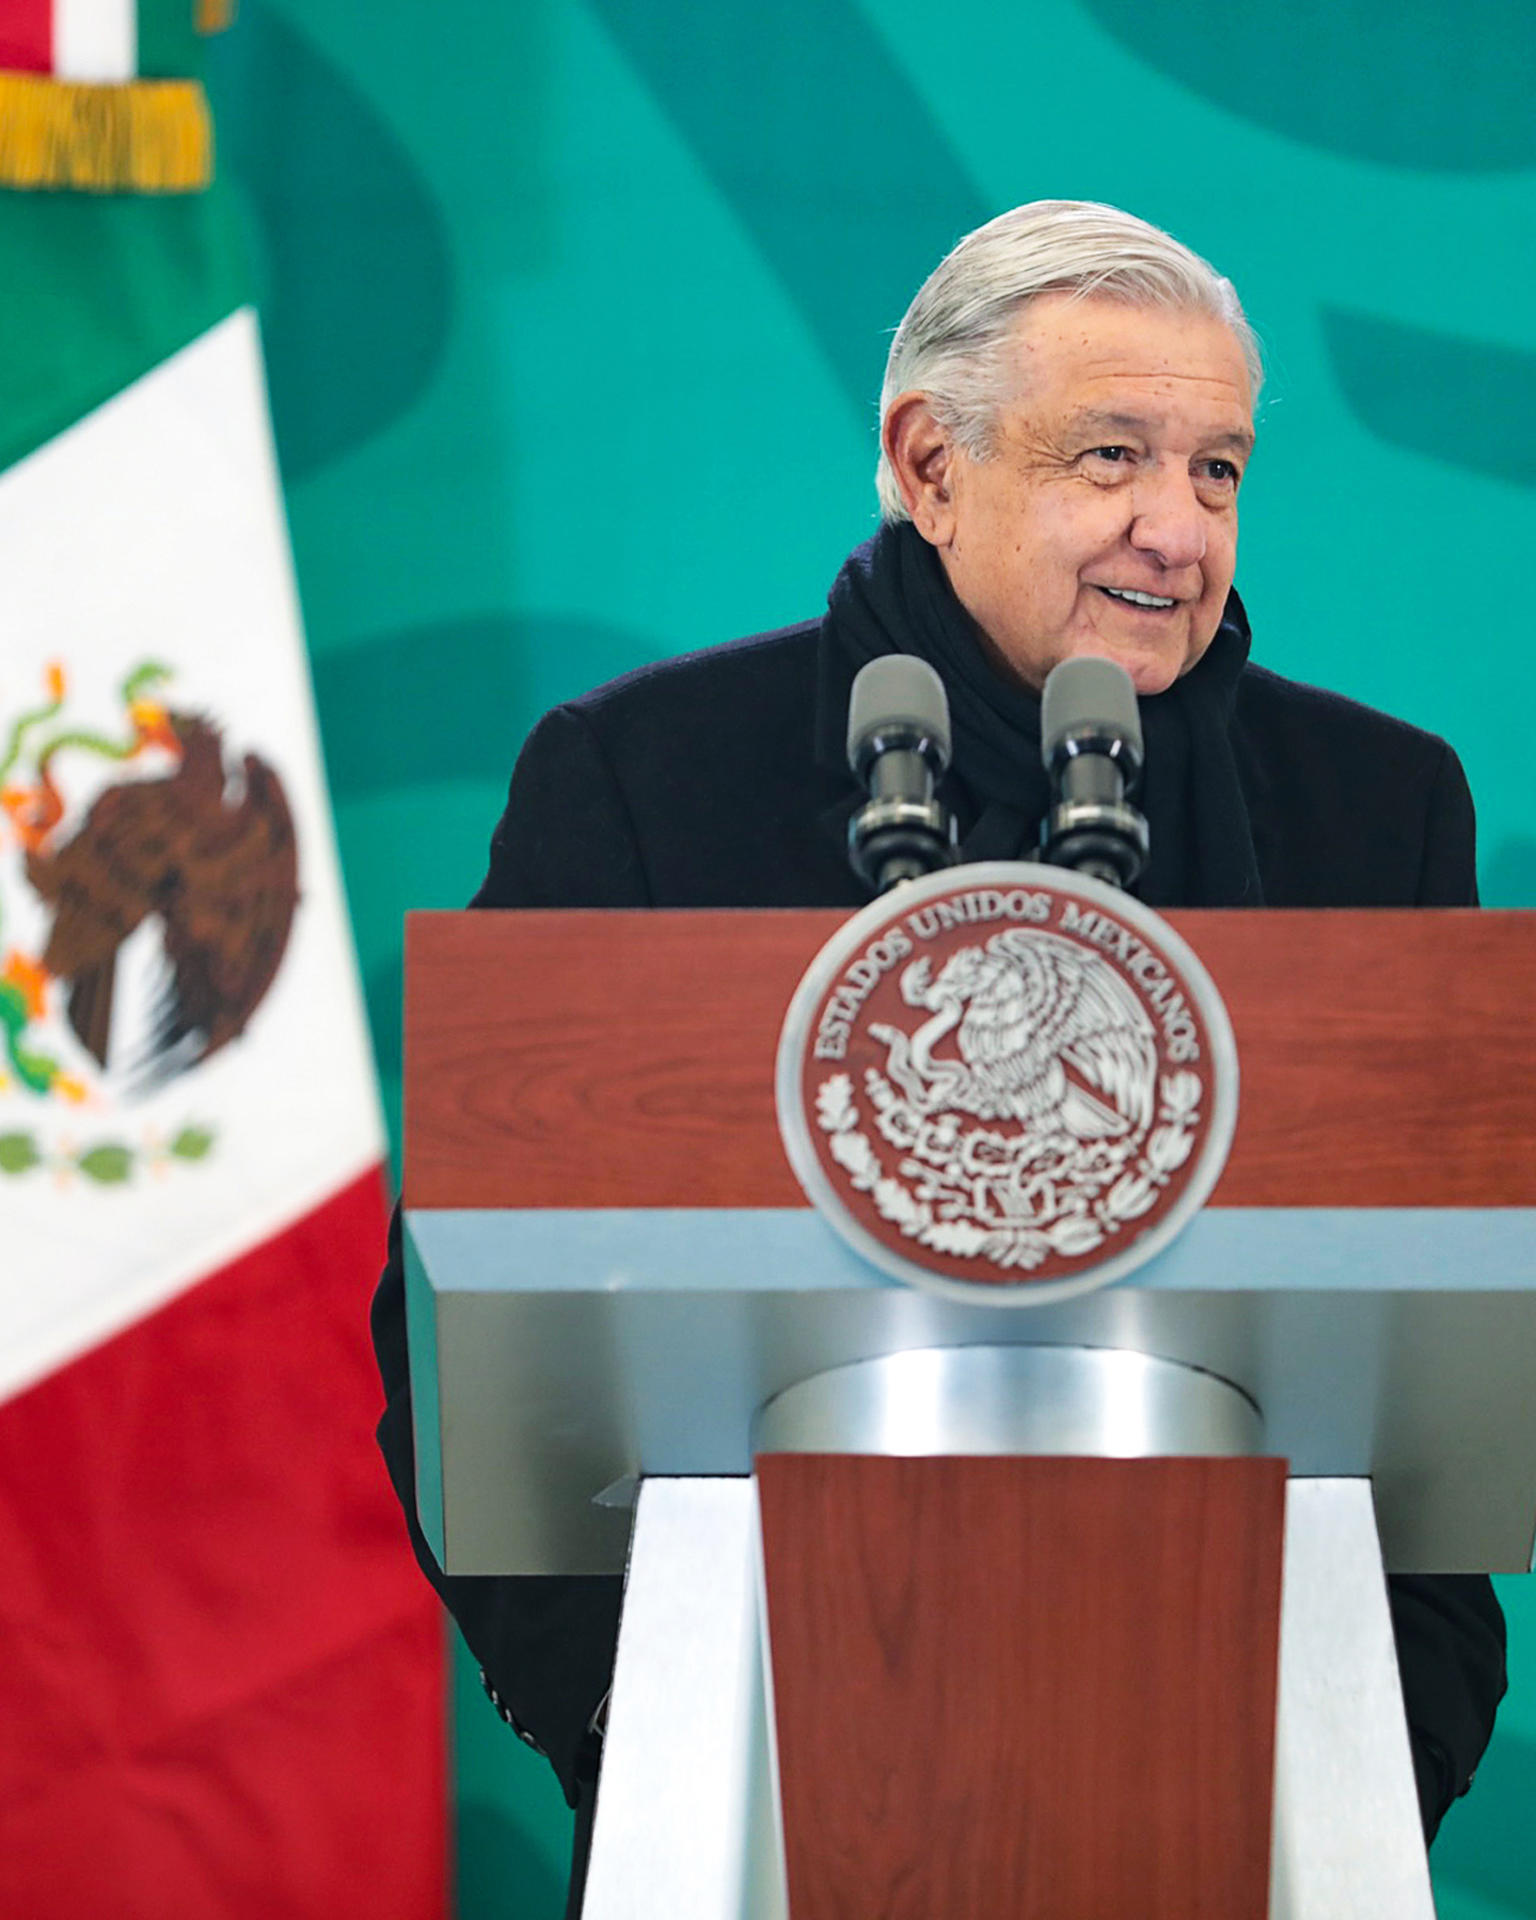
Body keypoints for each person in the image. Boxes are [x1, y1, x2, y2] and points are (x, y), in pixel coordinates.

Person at [371, 200, 1506, 1907]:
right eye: (1112, 454)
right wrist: (680, 1724)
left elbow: (1448, 1380)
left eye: (1217, 471)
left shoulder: (1377, 809)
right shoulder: (652, 780)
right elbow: (461, 1321)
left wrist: (1354, 1751)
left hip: (1263, 1812)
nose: (1177, 529)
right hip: (757, 1802)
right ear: (929, 459)